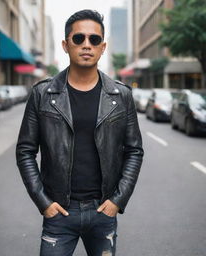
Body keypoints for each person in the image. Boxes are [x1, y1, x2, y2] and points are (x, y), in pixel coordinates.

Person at [16, 9, 144, 256]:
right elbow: (25, 151)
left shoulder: (121, 96)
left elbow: (134, 150)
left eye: (94, 39)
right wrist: (44, 203)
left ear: (103, 47)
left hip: (103, 211)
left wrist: (117, 200)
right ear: (66, 45)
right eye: (79, 39)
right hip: (59, 213)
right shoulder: (43, 94)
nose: (87, 45)